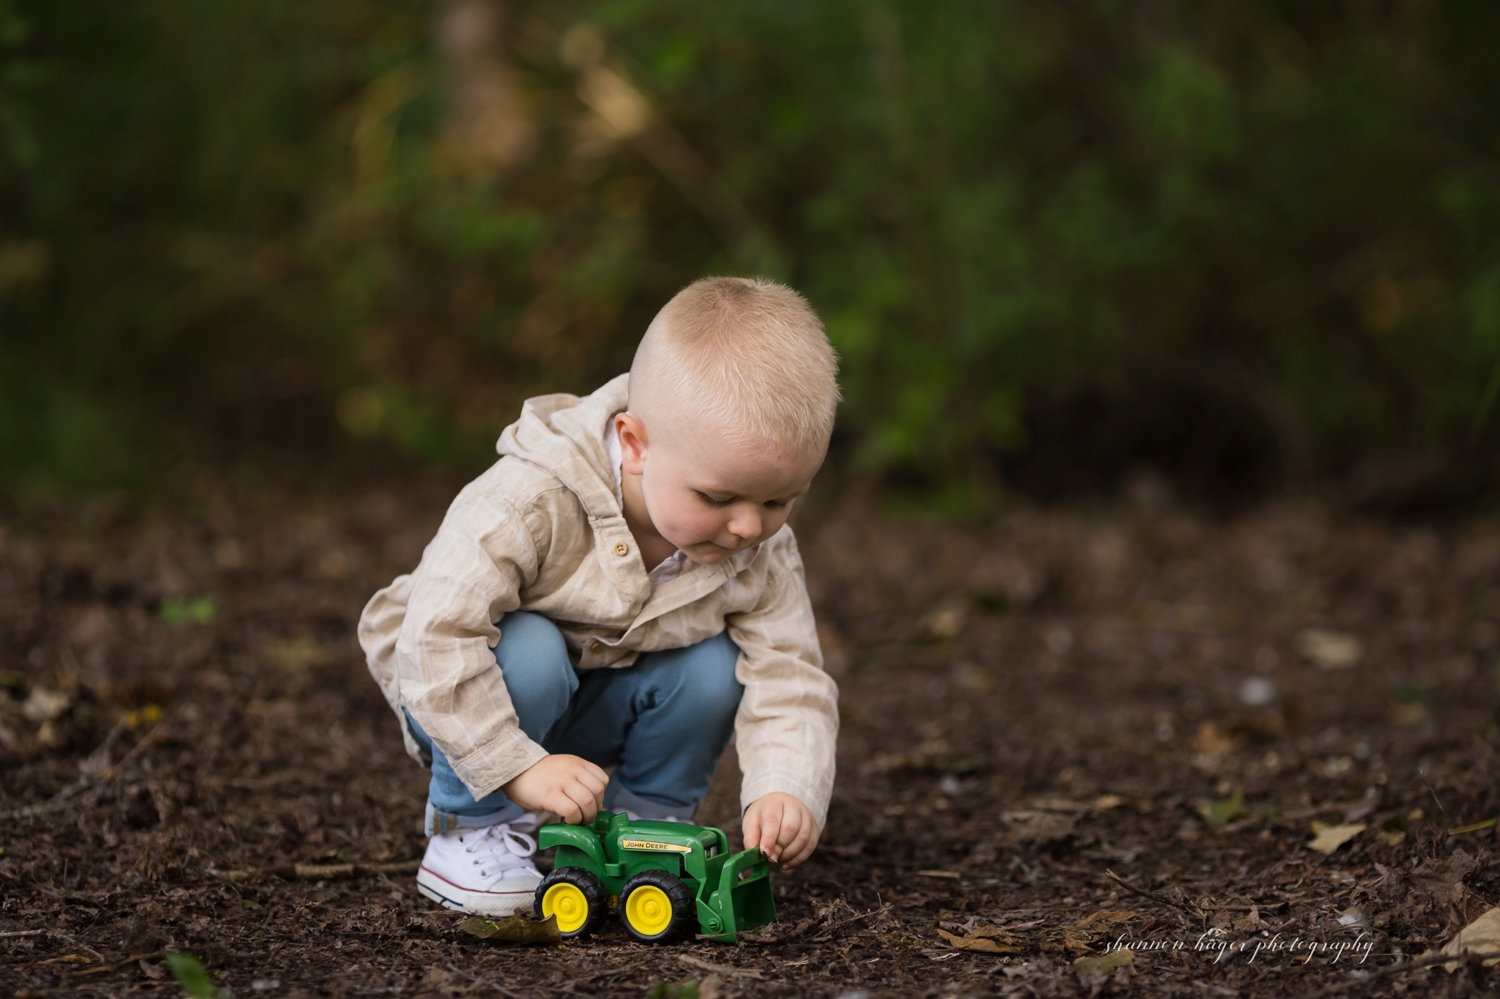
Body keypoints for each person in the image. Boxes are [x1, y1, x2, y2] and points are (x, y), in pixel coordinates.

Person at [358, 276, 841, 916]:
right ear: (635, 444)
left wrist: (786, 787)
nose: (750, 526)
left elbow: (788, 673)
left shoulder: (757, 548)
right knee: (530, 648)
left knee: (713, 667)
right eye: (719, 499)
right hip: (464, 698)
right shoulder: (532, 498)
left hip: (586, 709)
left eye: (779, 500)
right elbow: (436, 634)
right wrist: (516, 767)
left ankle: (646, 828)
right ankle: (472, 829)